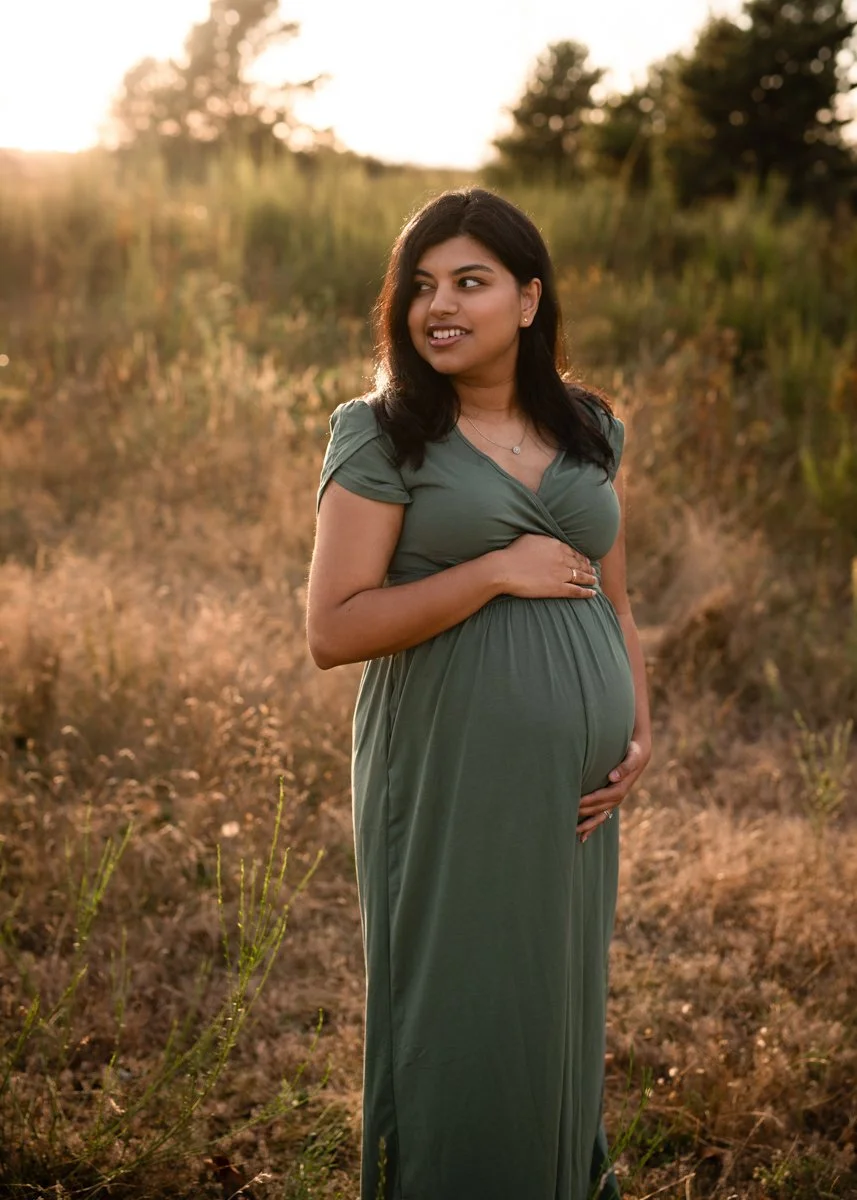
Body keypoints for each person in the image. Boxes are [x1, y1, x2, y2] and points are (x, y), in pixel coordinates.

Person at [306, 187, 652, 1200]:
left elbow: (616, 598)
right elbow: (333, 630)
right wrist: (492, 571)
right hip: (447, 772)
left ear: (528, 300)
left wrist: (638, 725)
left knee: (548, 1002)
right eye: (419, 286)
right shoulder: (382, 435)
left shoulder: (589, 427)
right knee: (455, 1009)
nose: (437, 306)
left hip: (573, 800)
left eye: (468, 281)